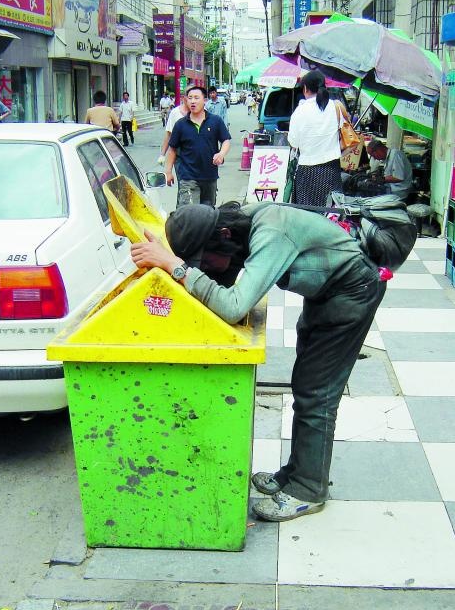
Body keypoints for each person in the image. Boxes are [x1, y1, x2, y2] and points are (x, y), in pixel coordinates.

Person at [130, 200, 386, 522]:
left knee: (316, 394)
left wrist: (177, 267)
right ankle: (296, 473)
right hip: (326, 293)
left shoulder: (271, 231)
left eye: (205, 260)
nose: (205, 269)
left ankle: (309, 489)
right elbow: (224, 280)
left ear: (224, 234)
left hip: (352, 293)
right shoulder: (239, 227)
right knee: (305, 387)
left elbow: (235, 305)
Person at [165, 85, 231, 208]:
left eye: (196, 98)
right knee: (190, 213)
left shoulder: (215, 121)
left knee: (207, 214)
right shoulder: (181, 125)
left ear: (204, 100)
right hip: (188, 177)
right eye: (190, 98)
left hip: (210, 176)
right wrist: (168, 172)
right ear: (186, 100)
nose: (193, 101)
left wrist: (221, 154)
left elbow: (226, 140)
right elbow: (172, 149)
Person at [287, 70, 345, 209]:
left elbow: (293, 143)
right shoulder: (335, 106)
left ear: (306, 88)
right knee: (331, 212)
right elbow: (341, 130)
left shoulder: (300, 111)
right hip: (332, 168)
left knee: (307, 214)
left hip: (307, 170)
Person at [157, 90, 189, 166]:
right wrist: (162, 154)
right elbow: (169, 134)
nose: (192, 100)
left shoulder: (203, 113)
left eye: (196, 97)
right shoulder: (175, 113)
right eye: (190, 96)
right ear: (184, 97)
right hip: (180, 155)